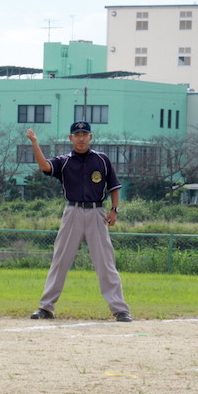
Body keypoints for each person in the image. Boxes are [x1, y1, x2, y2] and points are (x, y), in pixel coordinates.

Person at [26, 121, 132, 322]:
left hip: (96, 212)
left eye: (84, 134)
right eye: (77, 134)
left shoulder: (102, 160)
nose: (81, 137)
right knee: (60, 261)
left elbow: (114, 187)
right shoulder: (64, 161)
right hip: (72, 212)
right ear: (71, 138)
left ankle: (120, 310)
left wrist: (114, 210)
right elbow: (44, 166)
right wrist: (34, 142)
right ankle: (46, 308)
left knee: (106, 263)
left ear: (90, 137)